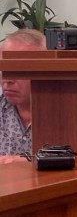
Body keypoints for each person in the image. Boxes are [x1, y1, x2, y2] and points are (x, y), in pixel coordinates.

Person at [0, 28, 46, 164]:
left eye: (18, 69)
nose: (8, 80)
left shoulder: (66, 112)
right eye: (4, 69)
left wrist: (27, 160)